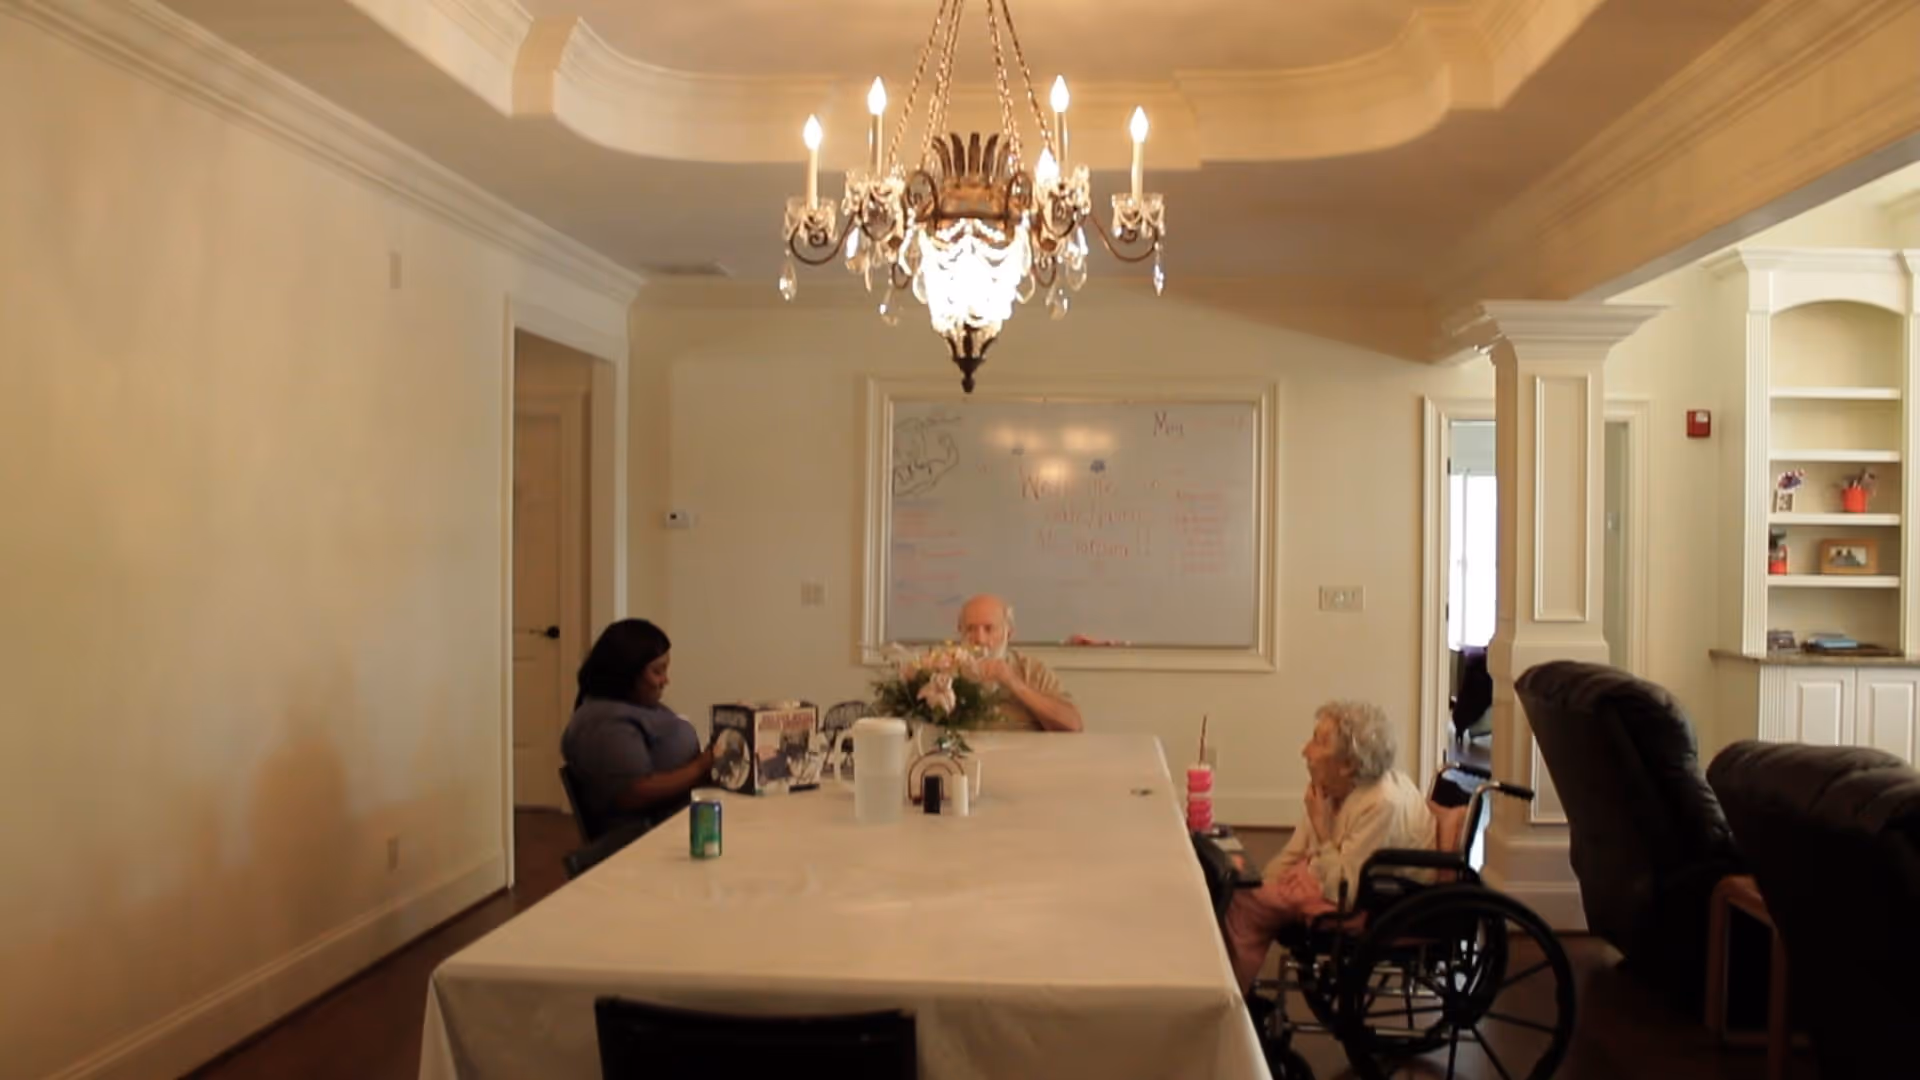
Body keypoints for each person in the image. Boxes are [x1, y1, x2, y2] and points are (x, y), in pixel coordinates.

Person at [1222, 700, 1436, 991]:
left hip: (1382, 898)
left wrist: (1322, 829)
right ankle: (1229, 984)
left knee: (1240, 906)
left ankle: (1230, 994)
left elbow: (1345, 892)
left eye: (1318, 742)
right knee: (1237, 892)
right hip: (1332, 876)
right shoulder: (1333, 789)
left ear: (1348, 764)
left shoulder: (1383, 803)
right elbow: (1294, 852)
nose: (1305, 751)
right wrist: (1261, 883)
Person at [560, 619, 714, 839]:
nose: (665, 680)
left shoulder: (636, 703)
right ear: (626, 672)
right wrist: (700, 767)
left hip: (680, 819)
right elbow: (633, 792)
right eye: (657, 671)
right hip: (646, 838)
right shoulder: (602, 723)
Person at [956, 594, 1084, 732]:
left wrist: (1013, 682)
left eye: (989, 629)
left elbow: (1073, 725)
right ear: (960, 631)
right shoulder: (944, 670)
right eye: (970, 629)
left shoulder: (1031, 669)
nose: (980, 640)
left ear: (1008, 633)